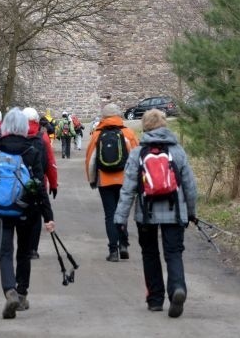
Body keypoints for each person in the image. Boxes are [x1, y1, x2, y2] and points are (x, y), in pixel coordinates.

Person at [113, 109, 198, 317]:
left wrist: (120, 218)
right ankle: (178, 288)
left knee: (150, 254)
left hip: (146, 214)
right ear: (164, 125)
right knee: (173, 253)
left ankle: (155, 300)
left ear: (145, 127)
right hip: (175, 212)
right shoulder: (177, 151)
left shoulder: (137, 154)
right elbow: (190, 186)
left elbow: (128, 189)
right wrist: (191, 212)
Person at [0, 108, 55, 319]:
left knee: (5, 253)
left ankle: (9, 290)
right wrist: (48, 216)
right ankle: (21, 295)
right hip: (26, 210)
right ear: (23, 127)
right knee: (23, 253)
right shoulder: (32, 151)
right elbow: (39, 187)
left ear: (4, 127)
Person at [85, 103, 139, 262]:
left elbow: (90, 160)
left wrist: (92, 179)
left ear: (103, 117)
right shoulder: (128, 133)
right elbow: (136, 157)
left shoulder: (97, 134)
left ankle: (113, 250)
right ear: (119, 115)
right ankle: (124, 245)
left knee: (110, 215)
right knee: (122, 213)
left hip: (104, 179)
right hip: (125, 180)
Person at [23, 106, 59, 260]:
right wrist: (54, 184)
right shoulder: (42, 138)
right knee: (36, 216)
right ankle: (33, 249)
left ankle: (23, 246)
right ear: (37, 121)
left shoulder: (18, 135)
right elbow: (50, 163)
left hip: (20, 183)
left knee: (22, 214)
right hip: (39, 182)